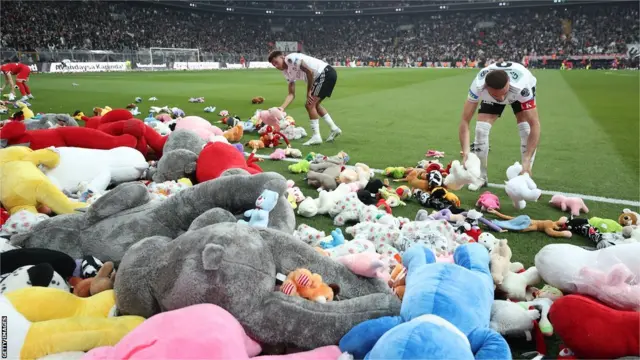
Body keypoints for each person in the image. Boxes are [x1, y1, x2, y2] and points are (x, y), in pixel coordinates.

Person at [459, 61, 540, 191]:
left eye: (504, 93)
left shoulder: (523, 87)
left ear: (508, 81)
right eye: (497, 95)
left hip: (517, 94)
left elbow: (535, 124)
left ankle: (525, 173)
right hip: (495, 95)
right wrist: (466, 154)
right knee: (481, 129)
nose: (502, 98)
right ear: (486, 88)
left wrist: (527, 159)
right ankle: (481, 176)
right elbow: (464, 120)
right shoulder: (478, 86)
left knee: (526, 128)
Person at [268, 51, 341, 145]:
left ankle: (316, 136)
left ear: (282, 57)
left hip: (324, 73)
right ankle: (334, 128)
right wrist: (282, 108)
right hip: (323, 75)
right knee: (315, 105)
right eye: (274, 65)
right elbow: (291, 94)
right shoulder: (286, 72)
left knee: (309, 105)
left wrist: (309, 91)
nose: (276, 66)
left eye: (276, 62)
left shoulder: (290, 59)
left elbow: (309, 71)